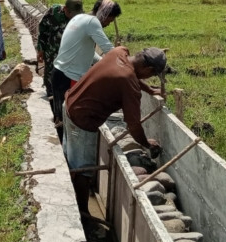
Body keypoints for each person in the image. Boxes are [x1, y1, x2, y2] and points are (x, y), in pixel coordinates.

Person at [63, 46, 167, 215]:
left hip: (69, 104)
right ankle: (82, 213)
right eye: (152, 75)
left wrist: (149, 89)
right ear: (147, 69)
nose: (150, 78)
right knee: (84, 170)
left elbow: (129, 74)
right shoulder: (128, 82)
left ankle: (71, 197)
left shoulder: (119, 52)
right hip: (82, 121)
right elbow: (133, 124)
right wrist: (146, 143)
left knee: (70, 158)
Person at [51, 0, 121, 135]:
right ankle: (71, 154)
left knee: (62, 119)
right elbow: (109, 49)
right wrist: (126, 62)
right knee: (72, 124)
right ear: (104, 14)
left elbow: (87, 52)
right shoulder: (93, 22)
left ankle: (64, 151)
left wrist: (102, 62)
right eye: (110, 20)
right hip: (69, 77)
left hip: (58, 74)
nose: (108, 24)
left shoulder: (79, 19)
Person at [35, 0, 84, 140]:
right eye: (71, 14)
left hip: (69, 58)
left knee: (66, 86)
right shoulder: (53, 13)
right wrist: (41, 49)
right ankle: (55, 112)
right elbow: (42, 30)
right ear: (65, 9)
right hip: (52, 54)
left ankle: (63, 114)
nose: (73, 17)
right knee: (51, 81)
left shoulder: (80, 17)